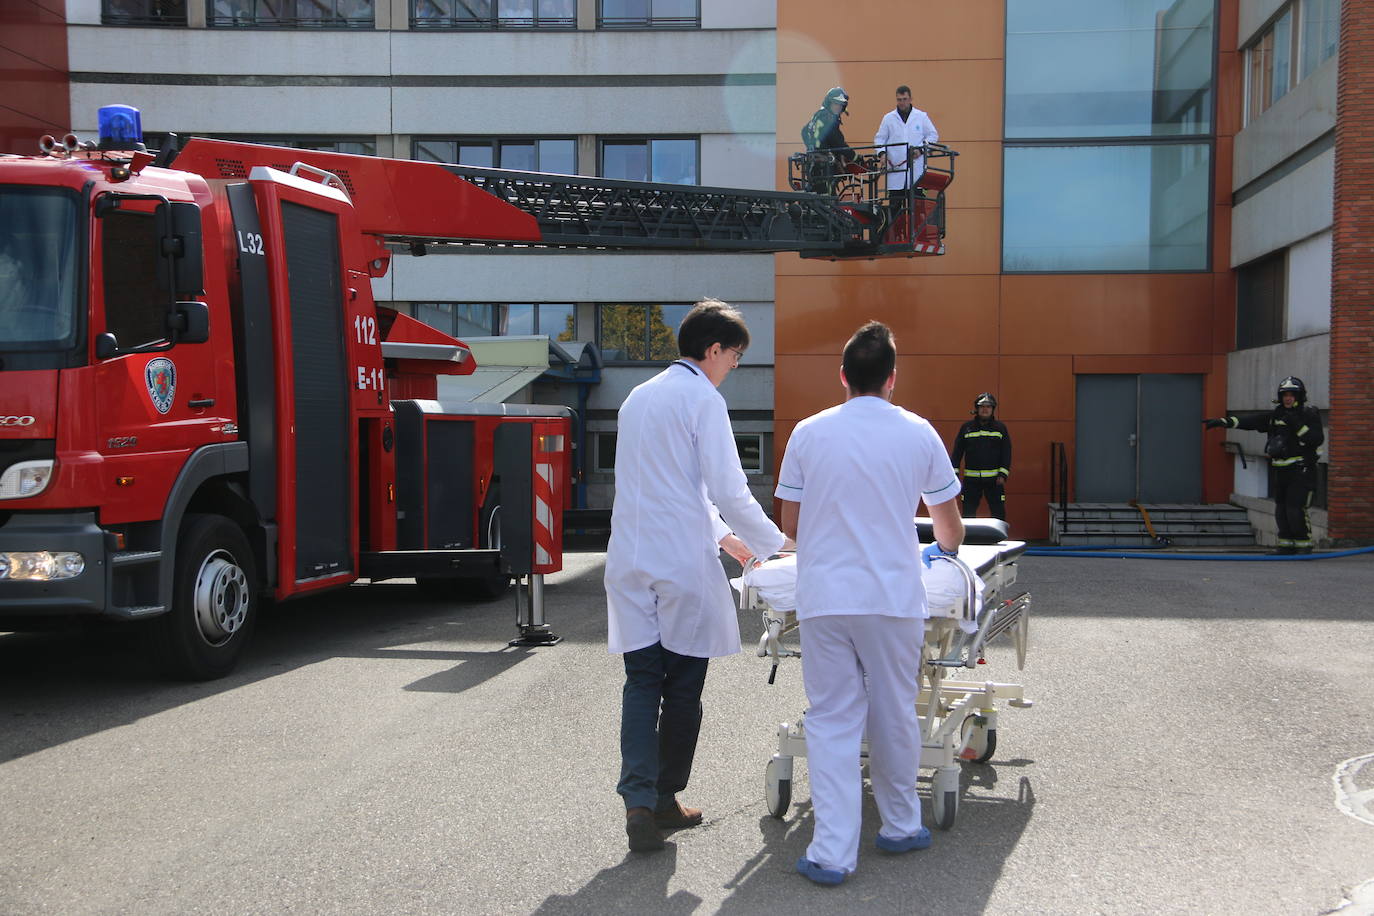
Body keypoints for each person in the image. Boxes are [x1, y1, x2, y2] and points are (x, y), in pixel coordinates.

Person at [775, 321, 964, 885]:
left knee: (832, 720)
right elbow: (948, 527)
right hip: (892, 598)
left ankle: (832, 854)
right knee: (893, 712)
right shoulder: (919, 432)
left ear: (842, 377)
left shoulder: (808, 432)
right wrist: (942, 552)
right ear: (891, 379)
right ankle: (901, 825)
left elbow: (792, 526)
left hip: (826, 597)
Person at [604, 298, 786, 853]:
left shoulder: (638, 397)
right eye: (733, 357)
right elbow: (729, 489)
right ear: (713, 351)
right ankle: (663, 799)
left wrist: (725, 538)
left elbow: (669, 484)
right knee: (682, 687)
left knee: (641, 681)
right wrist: (778, 544)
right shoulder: (702, 400)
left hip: (630, 558)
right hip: (678, 562)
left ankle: (638, 799)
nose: (733, 368)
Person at [1205, 376, 1324, 554]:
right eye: (1285, 395)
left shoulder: (1308, 415)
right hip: (1281, 471)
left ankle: (1303, 545)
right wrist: (1224, 422)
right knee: (1281, 510)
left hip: (1301, 471)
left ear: (1300, 396)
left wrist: (1296, 424)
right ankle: (1286, 544)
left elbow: (1315, 439)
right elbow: (1250, 421)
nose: (1288, 398)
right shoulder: (1275, 416)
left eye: (1292, 395)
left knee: (1295, 510)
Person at [873, 84, 939, 220]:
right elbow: (879, 138)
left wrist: (921, 149)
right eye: (899, 99)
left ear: (910, 99)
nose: (902, 102)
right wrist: (882, 153)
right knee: (895, 211)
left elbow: (933, 135)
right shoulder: (888, 118)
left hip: (916, 172)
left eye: (904, 99)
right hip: (896, 171)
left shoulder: (921, 116)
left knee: (918, 209)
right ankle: (896, 238)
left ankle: (918, 237)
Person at [951, 393, 1011, 521]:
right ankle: (968, 540)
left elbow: (1006, 452)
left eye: (988, 406)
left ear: (993, 409)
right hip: (971, 480)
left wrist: (1003, 474)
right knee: (968, 512)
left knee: (998, 513)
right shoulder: (967, 428)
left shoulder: (1000, 428)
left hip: (994, 480)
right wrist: (954, 473)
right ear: (976, 409)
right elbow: (957, 452)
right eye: (982, 406)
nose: (985, 409)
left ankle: (999, 538)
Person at [801, 87, 857, 194]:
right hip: (824, 166)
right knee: (828, 200)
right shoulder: (829, 118)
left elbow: (804, 131)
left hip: (814, 165)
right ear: (829, 103)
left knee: (817, 195)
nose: (838, 107)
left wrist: (811, 149)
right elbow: (838, 142)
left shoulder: (819, 115)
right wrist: (855, 157)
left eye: (841, 105)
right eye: (835, 103)